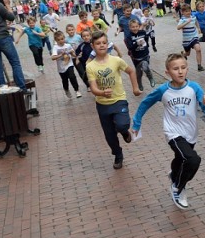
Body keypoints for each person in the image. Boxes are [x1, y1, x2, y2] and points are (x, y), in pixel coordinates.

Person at [131, 53, 205, 209]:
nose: (180, 72)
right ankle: (178, 187)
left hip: (191, 133)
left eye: (183, 68)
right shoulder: (163, 90)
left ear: (187, 69)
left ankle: (175, 174)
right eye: (176, 69)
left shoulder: (194, 87)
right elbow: (144, 104)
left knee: (181, 158)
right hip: (173, 133)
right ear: (167, 72)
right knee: (193, 160)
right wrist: (136, 123)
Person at [86, 31, 142, 169]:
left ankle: (124, 132)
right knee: (110, 136)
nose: (101, 45)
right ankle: (118, 155)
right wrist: (102, 93)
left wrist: (135, 88)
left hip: (119, 100)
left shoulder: (116, 60)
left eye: (104, 43)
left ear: (108, 44)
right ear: (92, 46)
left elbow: (131, 71)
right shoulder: (90, 66)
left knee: (122, 125)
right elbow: (93, 88)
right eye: (98, 43)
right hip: (102, 105)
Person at [124, 19, 156, 91]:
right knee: (139, 73)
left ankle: (150, 77)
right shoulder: (128, 36)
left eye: (136, 26)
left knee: (145, 66)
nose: (135, 28)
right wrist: (136, 44)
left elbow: (146, 40)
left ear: (139, 26)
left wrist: (146, 45)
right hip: (136, 58)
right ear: (129, 27)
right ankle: (140, 84)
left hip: (145, 55)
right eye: (133, 27)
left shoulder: (143, 32)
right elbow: (130, 48)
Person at [51, 31, 82, 99]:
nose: (61, 41)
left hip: (69, 64)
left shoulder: (68, 45)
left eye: (62, 39)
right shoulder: (55, 47)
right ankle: (66, 90)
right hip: (61, 67)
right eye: (58, 40)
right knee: (65, 80)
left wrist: (72, 53)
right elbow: (53, 58)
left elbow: (74, 55)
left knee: (72, 76)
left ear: (64, 38)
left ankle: (77, 90)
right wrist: (60, 55)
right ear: (56, 40)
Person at [176, 4, 204, 72]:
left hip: (194, 37)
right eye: (186, 11)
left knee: (198, 49)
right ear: (182, 12)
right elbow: (178, 27)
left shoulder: (193, 16)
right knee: (187, 54)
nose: (188, 12)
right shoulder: (182, 19)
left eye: (189, 11)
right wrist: (186, 22)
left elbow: (196, 21)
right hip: (186, 40)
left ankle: (199, 66)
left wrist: (198, 28)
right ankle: (183, 54)